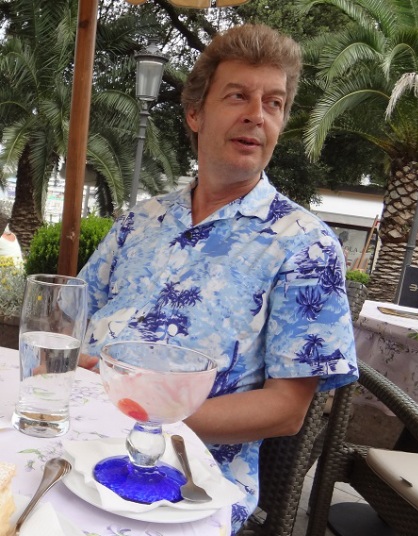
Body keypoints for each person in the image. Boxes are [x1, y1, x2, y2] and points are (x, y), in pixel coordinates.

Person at [78, 24, 358, 534]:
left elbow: (286, 409)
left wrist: (142, 415)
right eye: (237, 96)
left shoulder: (304, 245)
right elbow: (73, 317)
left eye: (273, 103)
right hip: (80, 442)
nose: (257, 114)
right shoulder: (140, 221)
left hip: (187, 482)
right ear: (195, 113)